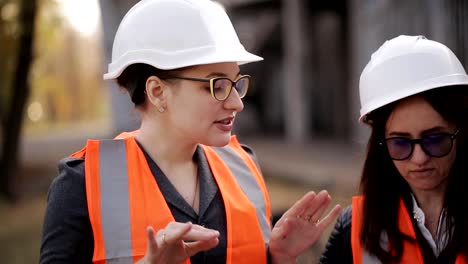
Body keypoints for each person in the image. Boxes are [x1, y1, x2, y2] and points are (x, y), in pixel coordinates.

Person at [39, 0, 341, 263]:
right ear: (157, 91)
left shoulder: (244, 166)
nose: (237, 103)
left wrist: (280, 258)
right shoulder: (82, 184)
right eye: (217, 85)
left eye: (237, 83)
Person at [320, 35, 468, 263]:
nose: (419, 158)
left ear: (460, 132)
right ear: (381, 144)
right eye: (400, 143)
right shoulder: (355, 228)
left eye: (435, 139)